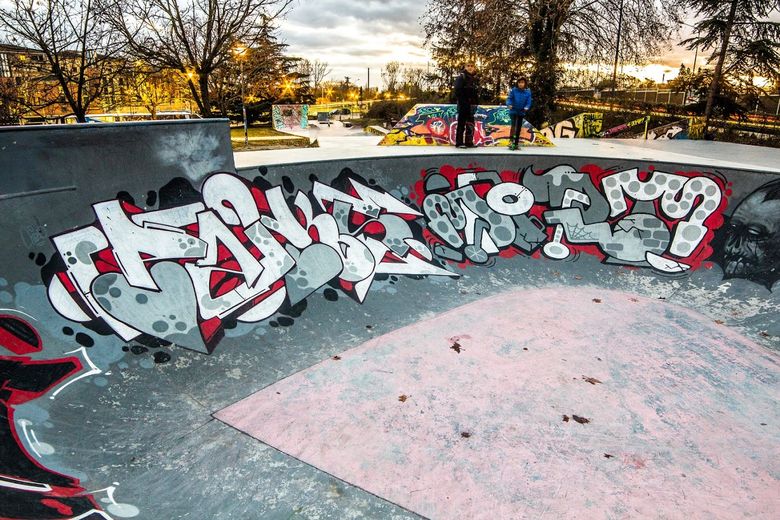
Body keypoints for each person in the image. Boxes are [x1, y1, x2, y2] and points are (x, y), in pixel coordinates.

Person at [454, 63, 479, 148]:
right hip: (463, 105)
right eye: (468, 66)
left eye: (471, 66)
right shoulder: (461, 77)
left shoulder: (474, 79)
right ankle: (459, 143)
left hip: (471, 106)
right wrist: (464, 103)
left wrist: (475, 103)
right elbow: (457, 91)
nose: (470, 67)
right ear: (465, 67)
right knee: (461, 124)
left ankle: (469, 142)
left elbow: (475, 93)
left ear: (474, 67)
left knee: (470, 125)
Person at [506, 77, 532, 150]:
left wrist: (527, 107)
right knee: (513, 126)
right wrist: (509, 104)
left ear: (525, 84)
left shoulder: (527, 92)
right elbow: (509, 98)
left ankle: (516, 143)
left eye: (522, 82)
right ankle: (511, 141)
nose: (521, 84)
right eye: (519, 82)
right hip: (513, 111)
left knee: (518, 128)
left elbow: (529, 101)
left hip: (521, 111)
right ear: (517, 83)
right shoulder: (514, 90)